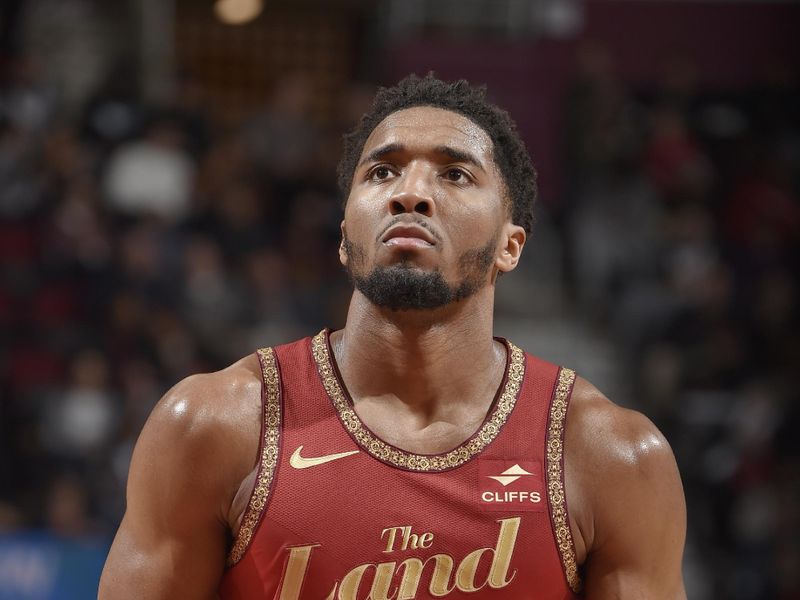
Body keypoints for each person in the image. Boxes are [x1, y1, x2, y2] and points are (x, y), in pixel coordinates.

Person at [99, 75, 687, 599]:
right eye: (382, 171)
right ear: (344, 233)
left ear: (511, 245)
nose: (411, 193)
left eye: (455, 174)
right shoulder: (213, 425)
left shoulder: (609, 456)